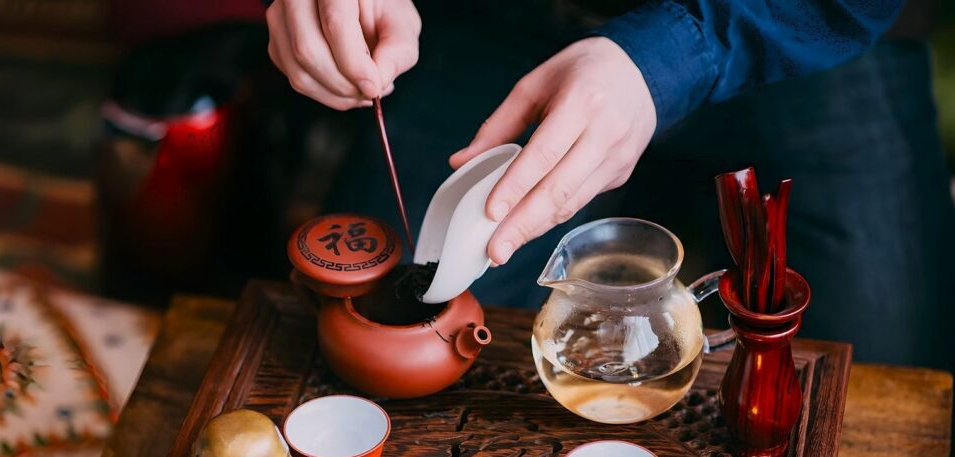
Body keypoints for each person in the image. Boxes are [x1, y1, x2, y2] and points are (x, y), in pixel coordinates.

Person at [264, 0, 955, 372]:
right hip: (492, 24)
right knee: (365, 323)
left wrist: (665, 58)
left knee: (882, 365)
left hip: (798, 31)